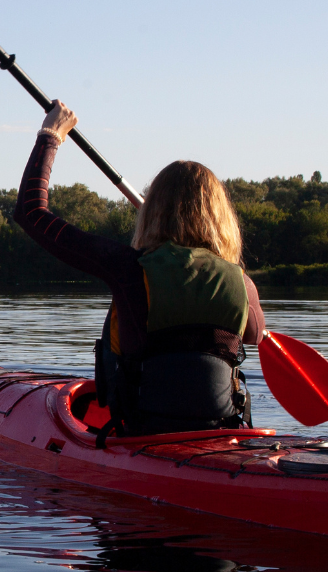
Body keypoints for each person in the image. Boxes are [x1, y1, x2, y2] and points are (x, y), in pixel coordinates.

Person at [15, 101, 264, 438]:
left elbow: (31, 212)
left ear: (152, 212)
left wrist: (51, 134)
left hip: (143, 434)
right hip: (222, 433)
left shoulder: (128, 269)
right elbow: (253, 335)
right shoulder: (242, 284)